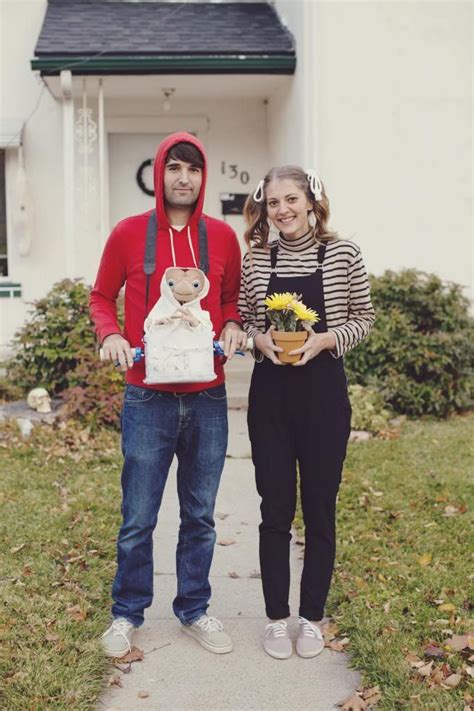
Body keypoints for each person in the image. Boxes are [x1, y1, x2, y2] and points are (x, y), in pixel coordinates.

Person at [90, 132, 246, 658]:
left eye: (194, 170)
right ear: (160, 173)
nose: (184, 178)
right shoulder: (129, 233)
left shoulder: (223, 237)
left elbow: (231, 302)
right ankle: (126, 613)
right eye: (175, 167)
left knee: (200, 514)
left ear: (204, 178)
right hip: (146, 399)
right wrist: (110, 334)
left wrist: (232, 327)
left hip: (207, 397)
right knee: (139, 515)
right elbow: (101, 296)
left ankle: (194, 609)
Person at [238, 166, 375, 659]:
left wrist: (328, 339)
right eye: (274, 203)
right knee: (274, 511)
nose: (283, 211)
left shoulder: (343, 254)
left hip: (323, 397)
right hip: (270, 397)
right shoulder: (256, 260)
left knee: (319, 510)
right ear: (266, 208)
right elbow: (244, 318)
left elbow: (365, 317)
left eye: (292, 200)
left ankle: (311, 617)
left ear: (313, 202)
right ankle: (277, 618)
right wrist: (257, 340)